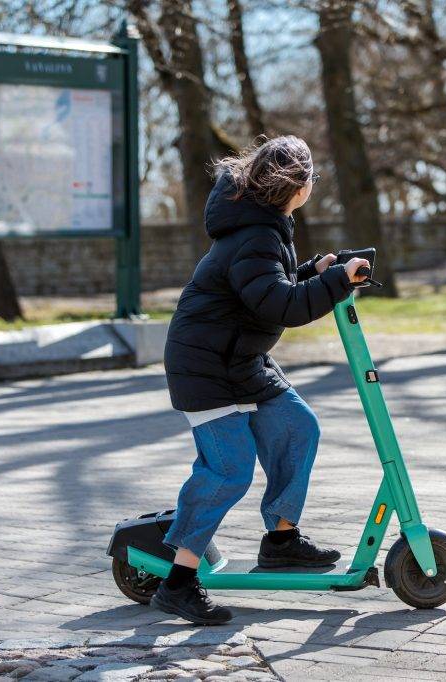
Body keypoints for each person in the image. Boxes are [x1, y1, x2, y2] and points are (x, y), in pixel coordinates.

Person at [152, 135, 370, 625]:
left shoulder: (265, 229)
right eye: (311, 176)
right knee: (229, 470)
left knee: (298, 426)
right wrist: (335, 282)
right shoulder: (256, 236)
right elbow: (279, 304)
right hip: (206, 370)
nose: (313, 184)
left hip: (239, 363)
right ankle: (178, 584)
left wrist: (316, 269)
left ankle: (282, 540)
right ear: (295, 185)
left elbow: (272, 285)